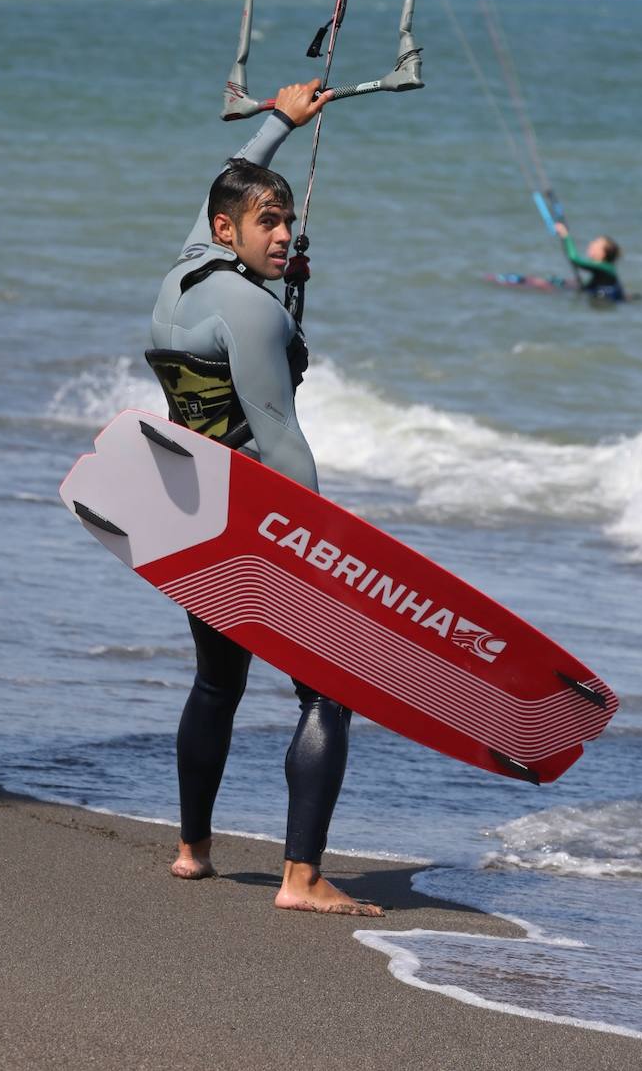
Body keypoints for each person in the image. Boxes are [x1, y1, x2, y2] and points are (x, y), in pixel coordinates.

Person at [147, 78, 382, 917]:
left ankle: (192, 851)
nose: (283, 234)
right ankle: (302, 878)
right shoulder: (251, 313)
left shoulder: (183, 274)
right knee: (330, 690)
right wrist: (326, 551)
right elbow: (281, 442)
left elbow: (232, 172)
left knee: (217, 683)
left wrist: (281, 120)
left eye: (287, 222)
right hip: (253, 519)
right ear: (228, 230)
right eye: (266, 224)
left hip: (188, 509)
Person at [553, 221, 624, 302]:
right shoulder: (604, 267)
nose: (591, 243)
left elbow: (574, 259)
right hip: (597, 293)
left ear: (603, 253)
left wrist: (565, 235)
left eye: (596, 243)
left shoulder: (605, 267)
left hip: (605, 300)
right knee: (558, 282)